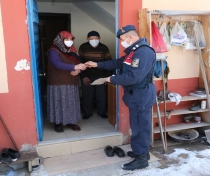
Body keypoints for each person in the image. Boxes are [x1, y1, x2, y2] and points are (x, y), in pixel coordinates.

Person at [85, 25, 156, 170]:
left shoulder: (143, 52)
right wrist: (96, 64)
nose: (122, 42)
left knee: (140, 127)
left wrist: (112, 79)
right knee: (137, 125)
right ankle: (141, 152)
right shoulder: (133, 52)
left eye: (123, 39)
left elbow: (134, 76)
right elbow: (118, 63)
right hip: (136, 94)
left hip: (141, 94)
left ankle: (142, 158)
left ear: (131, 37)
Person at [46, 31, 86, 133]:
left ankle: (72, 122)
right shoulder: (53, 50)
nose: (69, 42)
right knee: (59, 103)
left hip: (71, 82)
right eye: (66, 39)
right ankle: (58, 124)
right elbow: (57, 64)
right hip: (58, 83)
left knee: (71, 103)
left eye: (71, 39)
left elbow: (79, 64)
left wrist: (78, 70)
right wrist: (74, 67)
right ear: (60, 40)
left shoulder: (73, 50)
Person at [78, 31, 112, 119]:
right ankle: (87, 113)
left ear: (99, 38)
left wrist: (107, 77)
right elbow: (79, 63)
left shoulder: (104, 48)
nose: (94, 40)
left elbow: (109, 63)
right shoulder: (83, 47)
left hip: (101, 76)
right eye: (91, 39)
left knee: (101, 96)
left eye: (96, 38)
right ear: (87, 39)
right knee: (87, 96)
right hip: (87, 76)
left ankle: (102, 112)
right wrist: (83, 76)